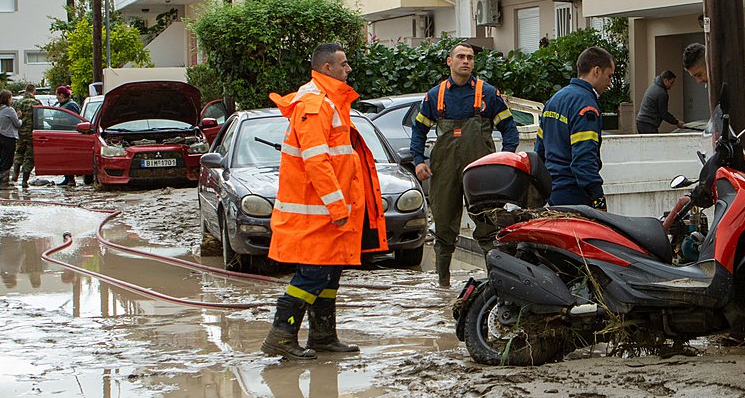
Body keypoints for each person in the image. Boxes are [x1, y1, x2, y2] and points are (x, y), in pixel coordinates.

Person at [261, 43, 388, 360]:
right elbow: (316, 162)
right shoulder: (315, 104)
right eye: (344, 64)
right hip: (317, 215)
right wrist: (337, 207)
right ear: (327, 68)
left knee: (329, 274)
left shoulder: (330, 102)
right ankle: (281, 337)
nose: (349, 69)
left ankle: (322, 336)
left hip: (327, 213)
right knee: (312, 276)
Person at [410, 43, 520, 287]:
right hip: (444, 170)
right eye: (460, 57)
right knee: (443, 225)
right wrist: (418, 161)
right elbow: (418, 130)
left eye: (470, 57)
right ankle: (443, 286)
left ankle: (497, 283)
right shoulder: (435, 95)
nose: (466, 61)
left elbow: (510, 130)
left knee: (488, 223)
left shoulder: (488, 94)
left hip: (482, 172)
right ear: (449, 62)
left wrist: (505, 159)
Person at [682, 42, 745, 191]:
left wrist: (731, 78)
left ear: (709, 65)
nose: (698, 81)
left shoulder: (739, 69)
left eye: (699, 75)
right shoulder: (715, 86)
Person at [535, 46, 615, 208]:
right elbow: (583, 159)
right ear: (597, 71)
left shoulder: (554, 100)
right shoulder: (586, 106)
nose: (609, 83)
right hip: (575, 192)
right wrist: (597, 196)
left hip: (553, 192)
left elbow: (540, 152)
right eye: (609, 76)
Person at [11, 84, 39, 188]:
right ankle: (24, 180)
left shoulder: (17, 102)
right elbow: (40, 117)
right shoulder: (36, 103)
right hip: (32, 134)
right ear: (34, 91)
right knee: (30, 157)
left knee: (19, 153)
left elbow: (13, 117)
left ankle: (15, 174)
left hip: (20, 133)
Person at [0, 89, 21, 187]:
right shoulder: (9, 110)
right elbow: (17, 124)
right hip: (9, 137)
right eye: (11, 98)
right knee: (8, 160)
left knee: (3, 159)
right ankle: (5, 183)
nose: (12, 100)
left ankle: (3, 181)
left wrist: (16, 117)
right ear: (7, 99)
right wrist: (20, 119)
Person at [55, 85, 80, 186]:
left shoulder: (71, 105)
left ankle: (71, 179)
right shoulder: (61, 104)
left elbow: (74, 120)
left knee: (68, 157)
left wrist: (57, 121)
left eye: (57, 94)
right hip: (61, 134)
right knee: (63, 157)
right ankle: (67, 177)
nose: (56, 97)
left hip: (69, 134)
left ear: (61, 95)